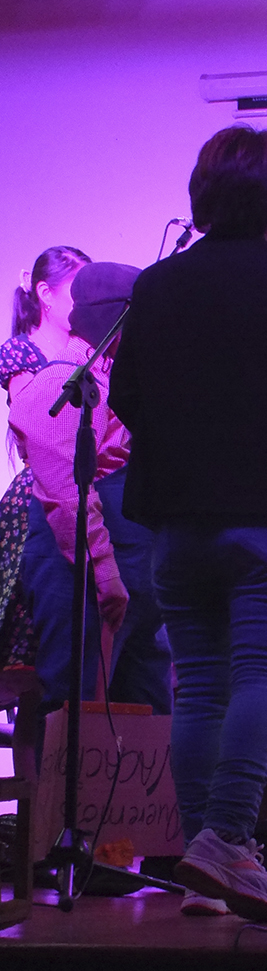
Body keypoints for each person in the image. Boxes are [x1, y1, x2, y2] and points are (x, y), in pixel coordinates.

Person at [109, 125, 267, 922]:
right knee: (261, 673)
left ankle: (204, 859)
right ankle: (227, 840)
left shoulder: (156, 286)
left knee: (199, 689)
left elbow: (124, 399)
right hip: (265, 515)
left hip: (178, 522)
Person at [9, 261, 174, 736]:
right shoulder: (61, 384)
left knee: (147, 702)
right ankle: (56, 813)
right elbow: (67, 494)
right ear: (119, 318)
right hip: (79, 561)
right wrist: (105, 574)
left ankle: (144, 812)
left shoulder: (126, 383)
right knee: (75, 699)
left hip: (139, 563)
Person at [0, 247, 92, 675]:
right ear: (46, 294)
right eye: (78, 290)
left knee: (79, 648)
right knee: (32, 663)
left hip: (82, 491)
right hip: (39, 494)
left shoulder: (87, 351)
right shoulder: (22, 351)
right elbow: (34, 426)